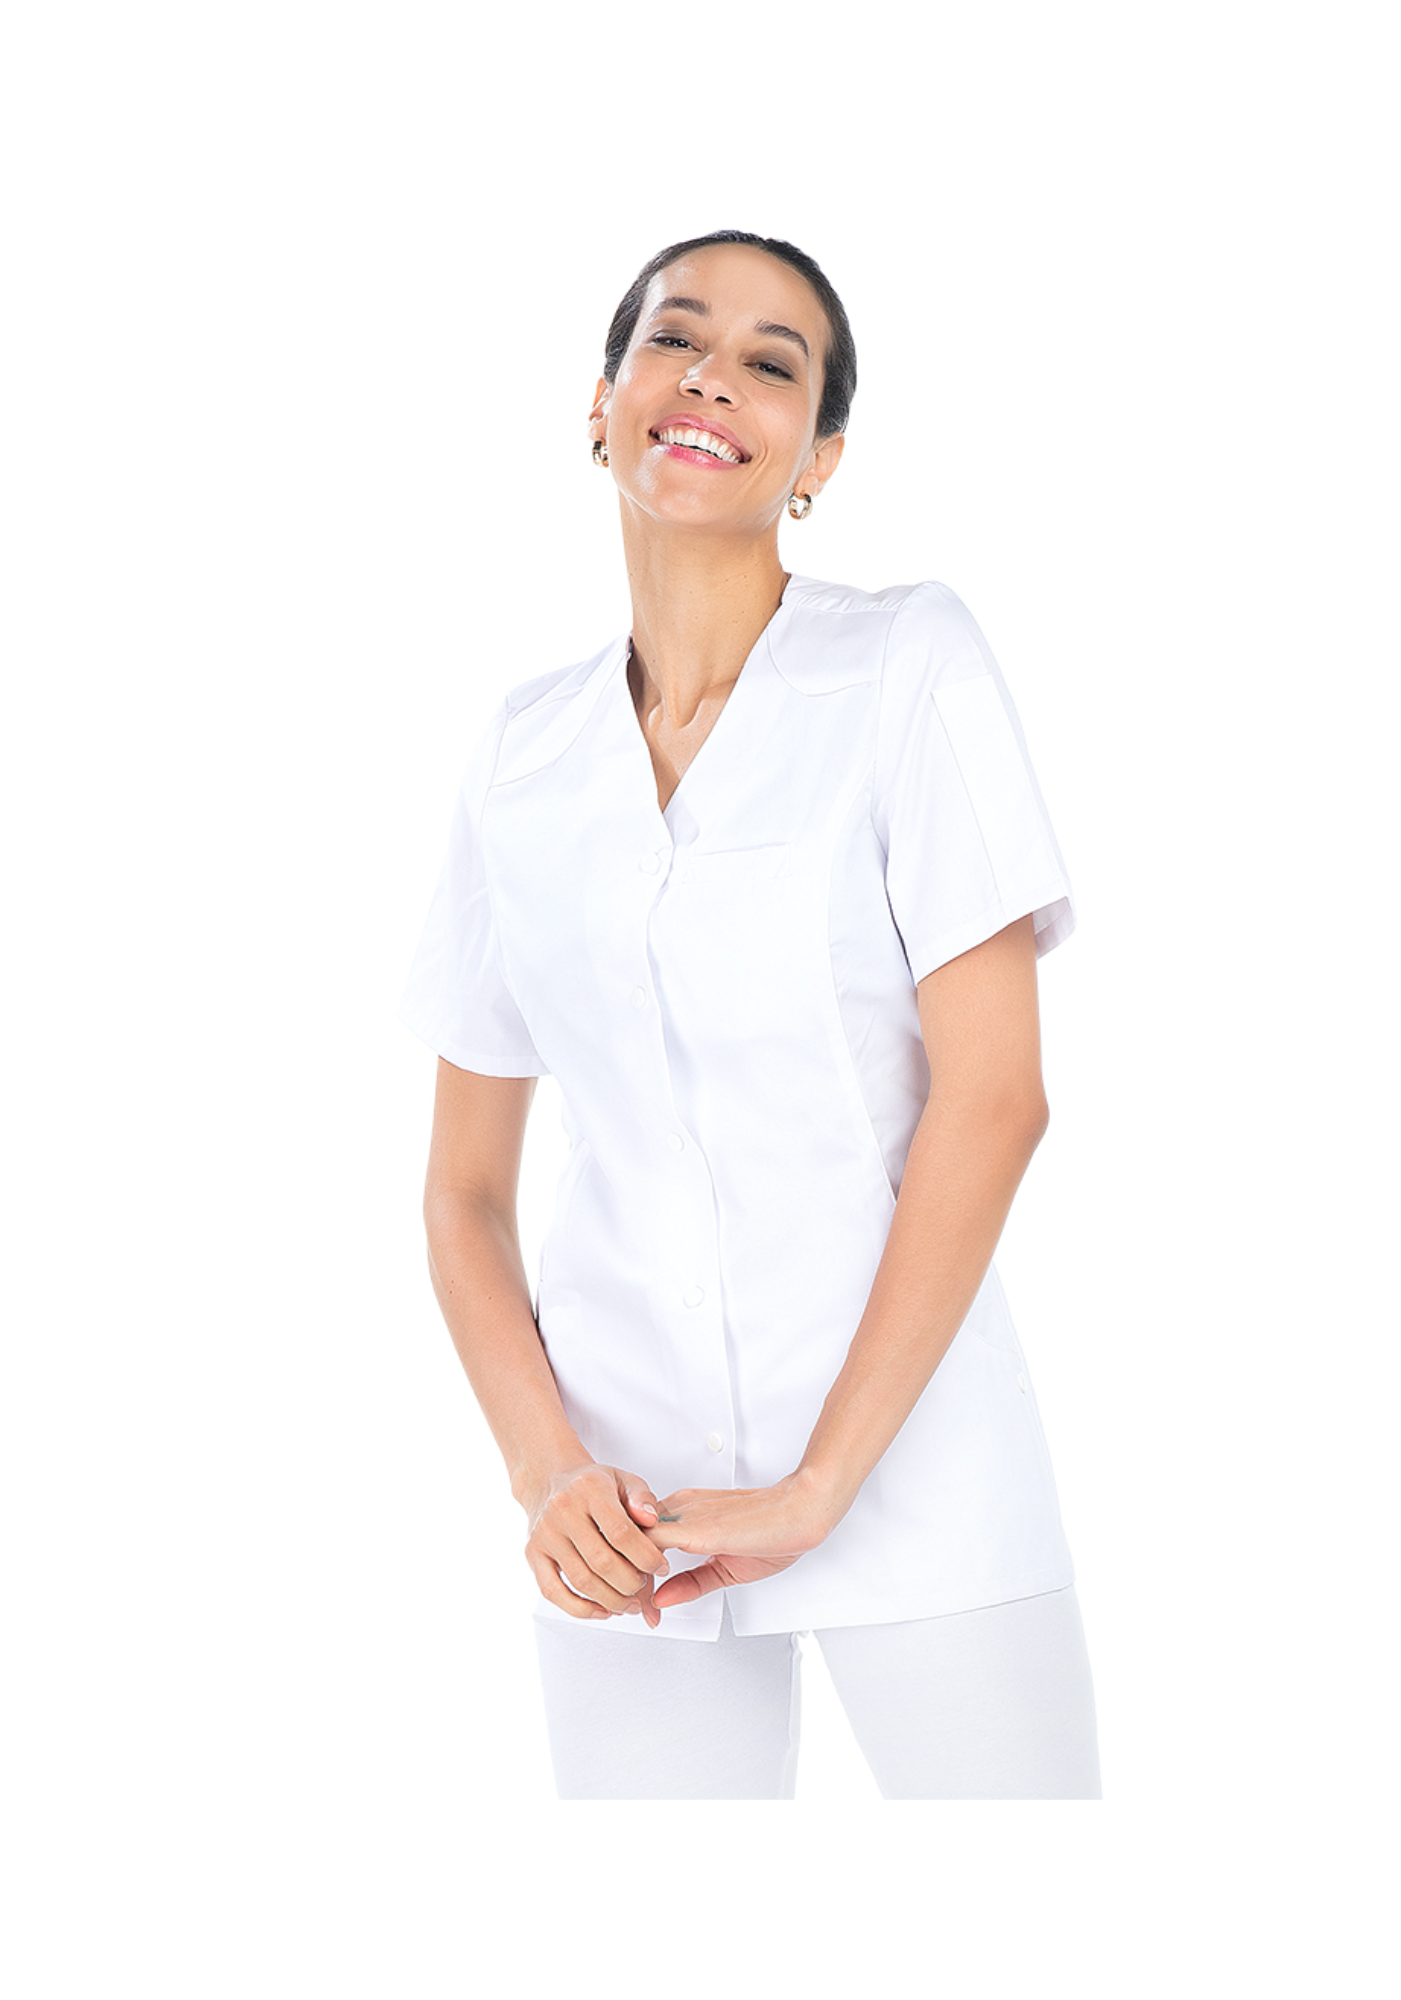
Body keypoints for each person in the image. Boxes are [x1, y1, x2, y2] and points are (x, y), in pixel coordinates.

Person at [401, 231, 1100, 1799]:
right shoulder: (523, 752)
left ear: (818, 459)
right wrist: (546, 1475)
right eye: (675, 339)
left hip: (915, 1468)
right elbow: (461, 1191)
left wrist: (818, 1482)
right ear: (600, 406)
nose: (714, 375)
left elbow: (997, 1097)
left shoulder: (908, 662)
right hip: (624, 1506)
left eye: (773, 363)